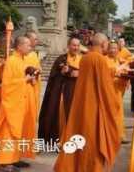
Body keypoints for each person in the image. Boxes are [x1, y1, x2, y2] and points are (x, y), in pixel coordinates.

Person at [54, 33, 126, 172]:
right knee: (93, 143)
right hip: (95, 109)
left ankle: (76, 166)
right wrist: (114, 103)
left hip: (82, 104)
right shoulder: (99, 59)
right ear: (104, 44)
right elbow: (105, 87)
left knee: (80, 138)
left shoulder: (85, 58)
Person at [0, 36, 38, 171]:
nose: (30, 48)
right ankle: (5, 162)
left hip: (21, 102)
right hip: (12, 104)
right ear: (19, 46)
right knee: (9, 132)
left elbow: (24, 79)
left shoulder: (22, 60)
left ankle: (15, 158)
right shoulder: (12, 61)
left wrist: (31, 77)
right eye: (28, 45)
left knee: (20, 131)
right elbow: (7, 85)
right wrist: (24, 80)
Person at [38, 36, 82, 144]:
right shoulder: (61, 59)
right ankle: (60, 139)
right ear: (68, 46)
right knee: (62, 115)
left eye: (77, 45)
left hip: (78, 94)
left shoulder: (82, 59)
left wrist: (77, 73)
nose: (75, 48)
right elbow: (55, 74)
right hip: (64, 92)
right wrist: (64, 72)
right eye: (73, 45)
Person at [104, 40, 131, 142]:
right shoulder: (104, 59)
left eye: (115, 48)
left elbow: (125, 70)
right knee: (109, 113)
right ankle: (108, 135)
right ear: (107, 49)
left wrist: (126, 77)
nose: (113, 50)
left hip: (118, 90)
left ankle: (120, 135)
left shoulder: (119, 60)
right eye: (111, 48)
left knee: (119, 113)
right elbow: (103, 73)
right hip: (108, 90)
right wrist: (115, 71)